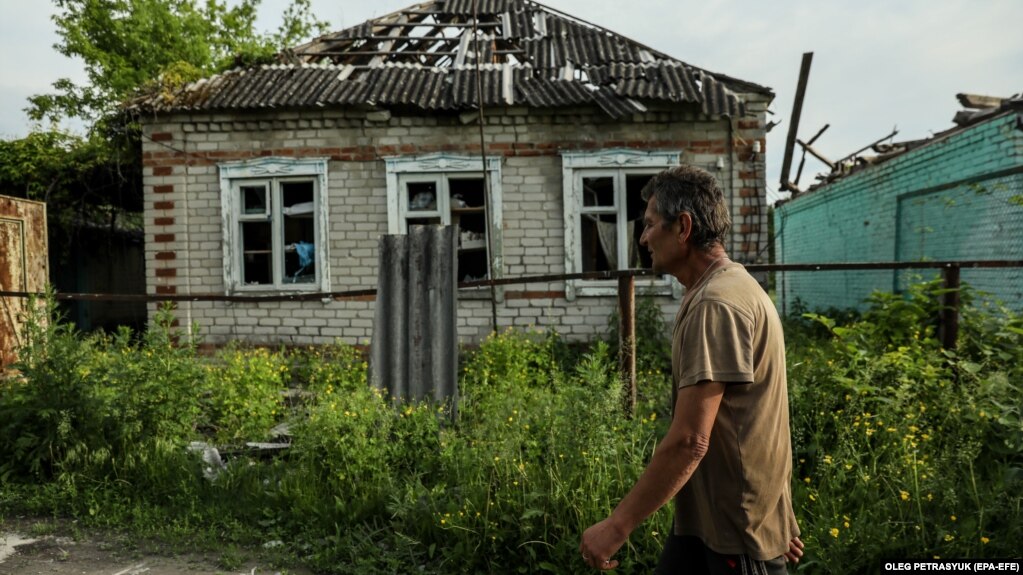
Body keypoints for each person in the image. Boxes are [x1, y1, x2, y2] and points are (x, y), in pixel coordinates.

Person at [579, 165, 803, 573]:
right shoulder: (730, 287)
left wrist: (616, 526)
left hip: (735, 535)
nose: (643, 237)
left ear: (682, 227)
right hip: (708, 523)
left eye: (649, 225)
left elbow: (690, 440)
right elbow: (757, 419)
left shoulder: (715, 304)